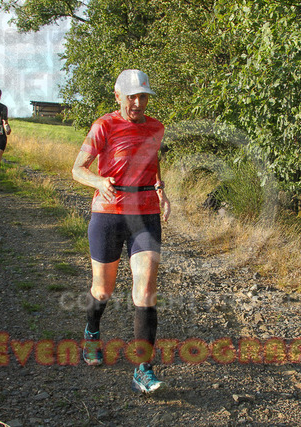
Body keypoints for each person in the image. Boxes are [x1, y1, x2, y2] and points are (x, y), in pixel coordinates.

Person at [71, 70, 170, 394]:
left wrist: (161, 190)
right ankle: (91, 332)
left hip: (145, 214)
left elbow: (153, 162)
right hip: (108, 214)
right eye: (132, 97)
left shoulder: (156, 128)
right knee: (103, 290)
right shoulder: (104, 126)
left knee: (146, 290)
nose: (138, 103)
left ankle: (143, 368)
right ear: (118, 96)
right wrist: (99, 181)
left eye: (143, 97)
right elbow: (77, 169)